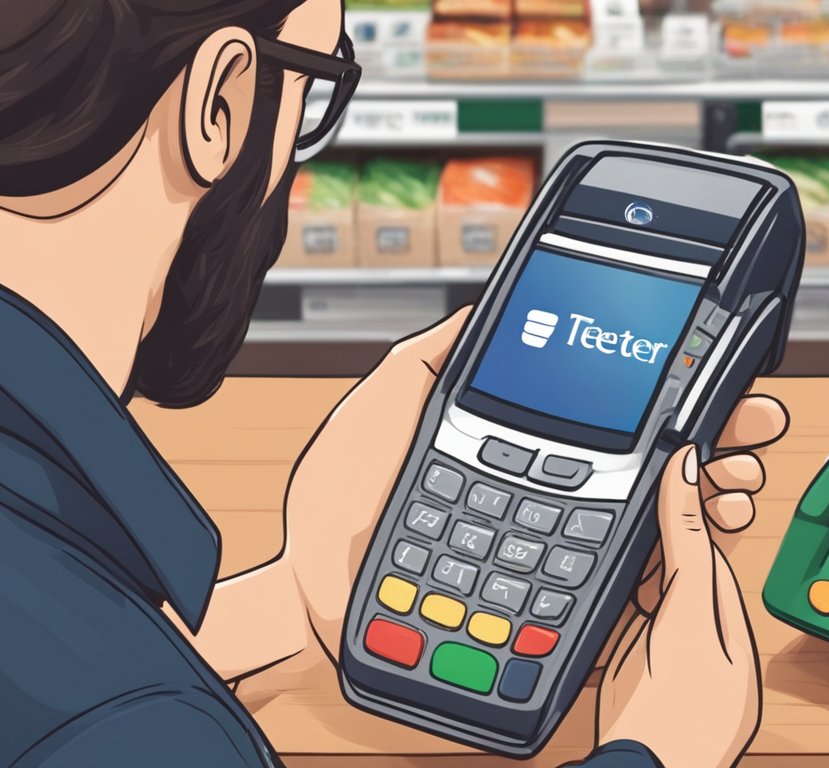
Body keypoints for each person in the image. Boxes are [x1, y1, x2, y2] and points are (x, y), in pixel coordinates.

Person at [0, 1, 788, 766]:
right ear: (220, 100)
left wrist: (293, 599)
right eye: (315, 85)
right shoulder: (139, 720)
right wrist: (659, 750)